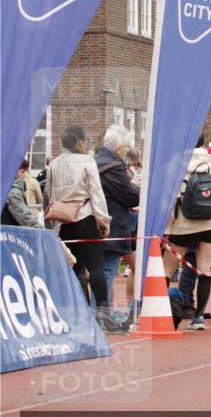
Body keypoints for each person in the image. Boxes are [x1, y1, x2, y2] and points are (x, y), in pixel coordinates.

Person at [44, 125, 119, 331]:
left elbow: (48, 195)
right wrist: (104, 220)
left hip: (62, 221)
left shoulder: (54, 163)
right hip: (84, 218)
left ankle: (82, 313)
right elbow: (96, 192)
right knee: (95, 266)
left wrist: (51, 224)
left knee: (75, 267)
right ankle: (102, 313)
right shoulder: (87, 161)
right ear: (80, 142)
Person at [163, 132, 211, 329]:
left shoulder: (175, 165)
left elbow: (169, 197)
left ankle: (162, 311)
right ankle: (198, 318)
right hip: (210, 223)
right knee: (204, 268)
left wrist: (168, 226)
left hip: (183, 224)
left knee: (167, 268)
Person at [95, 126, 140, 317]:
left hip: (96, 225)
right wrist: (136, 187)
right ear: (120, 148)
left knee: (100, 271)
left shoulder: (95, 162)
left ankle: (101, 312)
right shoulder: (113, 167)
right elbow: (131, 197)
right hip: (111, 226)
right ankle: (102, 314)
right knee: (107, 270)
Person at [2, 163, 42, 227]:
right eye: (22, 172)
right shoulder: (13, 191)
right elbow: (23, 215)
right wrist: (39, 230)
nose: (24, 175)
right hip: (13, 231)